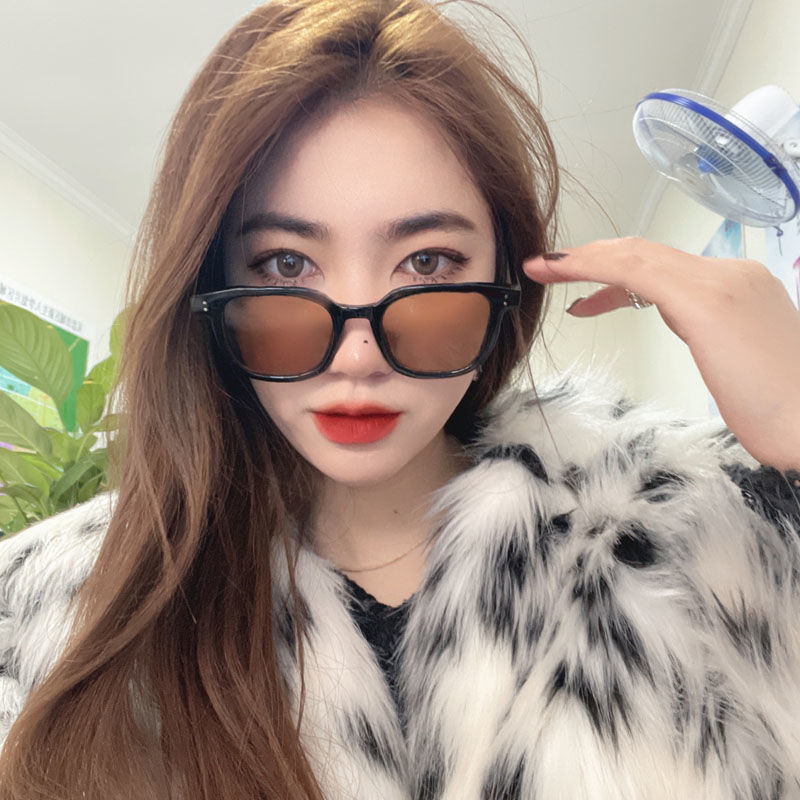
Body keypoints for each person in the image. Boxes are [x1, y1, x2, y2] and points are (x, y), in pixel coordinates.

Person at [1, 1, 799, 798]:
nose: (360, 356)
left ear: (508, 278)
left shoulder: (703, 547)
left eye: (427, 263)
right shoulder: (45, 621)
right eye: (285, 265)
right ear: (210, 285)